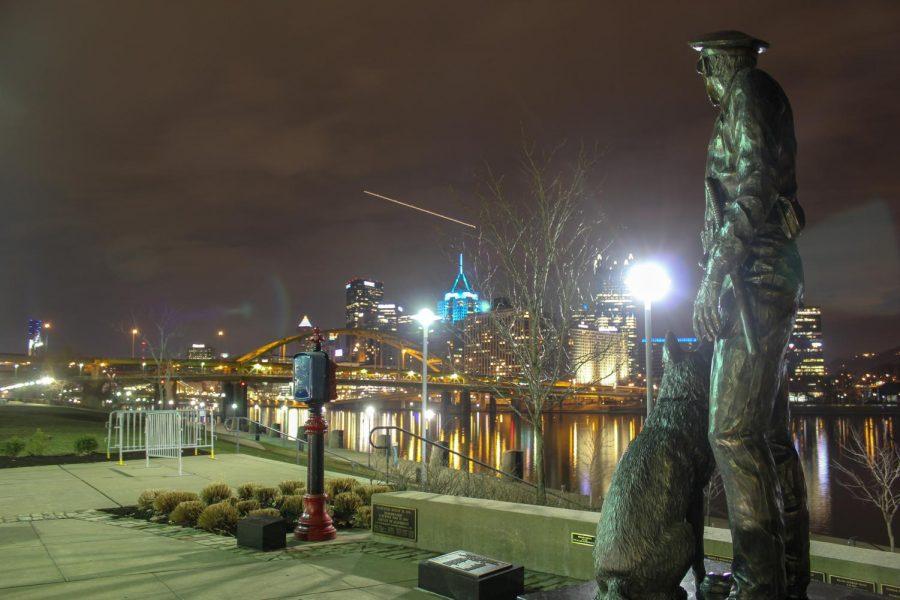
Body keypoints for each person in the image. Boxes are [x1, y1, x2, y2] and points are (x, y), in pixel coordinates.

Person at [689, 30, 810, 599]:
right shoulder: (765, 95)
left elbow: (755, 182)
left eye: (704, 68)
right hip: (767, 277)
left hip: (751, 281)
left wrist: (713, 275)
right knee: (770, 434)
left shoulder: (746, 92)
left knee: (733, 432)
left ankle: (759, 583)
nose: (704, 83)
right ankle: (786, 573)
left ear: (719, 63)